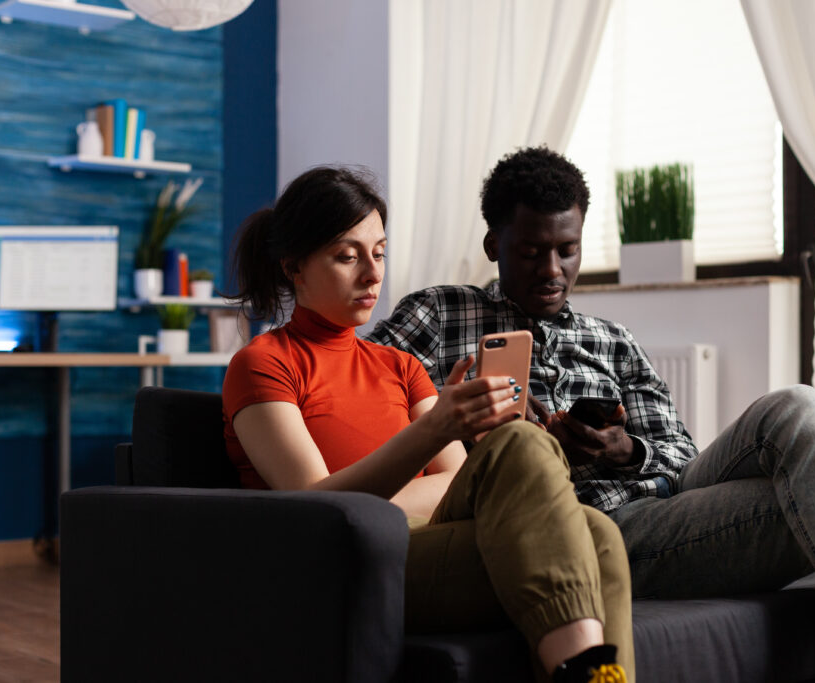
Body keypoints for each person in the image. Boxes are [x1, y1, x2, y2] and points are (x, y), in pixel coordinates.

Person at [367, 146, 815, 683]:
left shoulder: (612, 339)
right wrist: (462, 414)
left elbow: (683, 456)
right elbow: (361, 398)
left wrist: (624, 450)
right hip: (589, 527)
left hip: (666, 505)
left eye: (568, 249)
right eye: (532, 252)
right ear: (494, 245)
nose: (553, 270)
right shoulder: (440, 312)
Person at [222, 166, 634, 683]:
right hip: (345, 562)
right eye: (347, 256)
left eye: (379, 252)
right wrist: (434, 430)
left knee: (590, 523)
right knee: (547, 482)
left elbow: (454, 488)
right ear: (293, 268)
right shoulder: (264, 363)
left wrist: (414, 471)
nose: (373, 274)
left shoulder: (400, 366)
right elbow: (317, 507)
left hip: (427, 539)